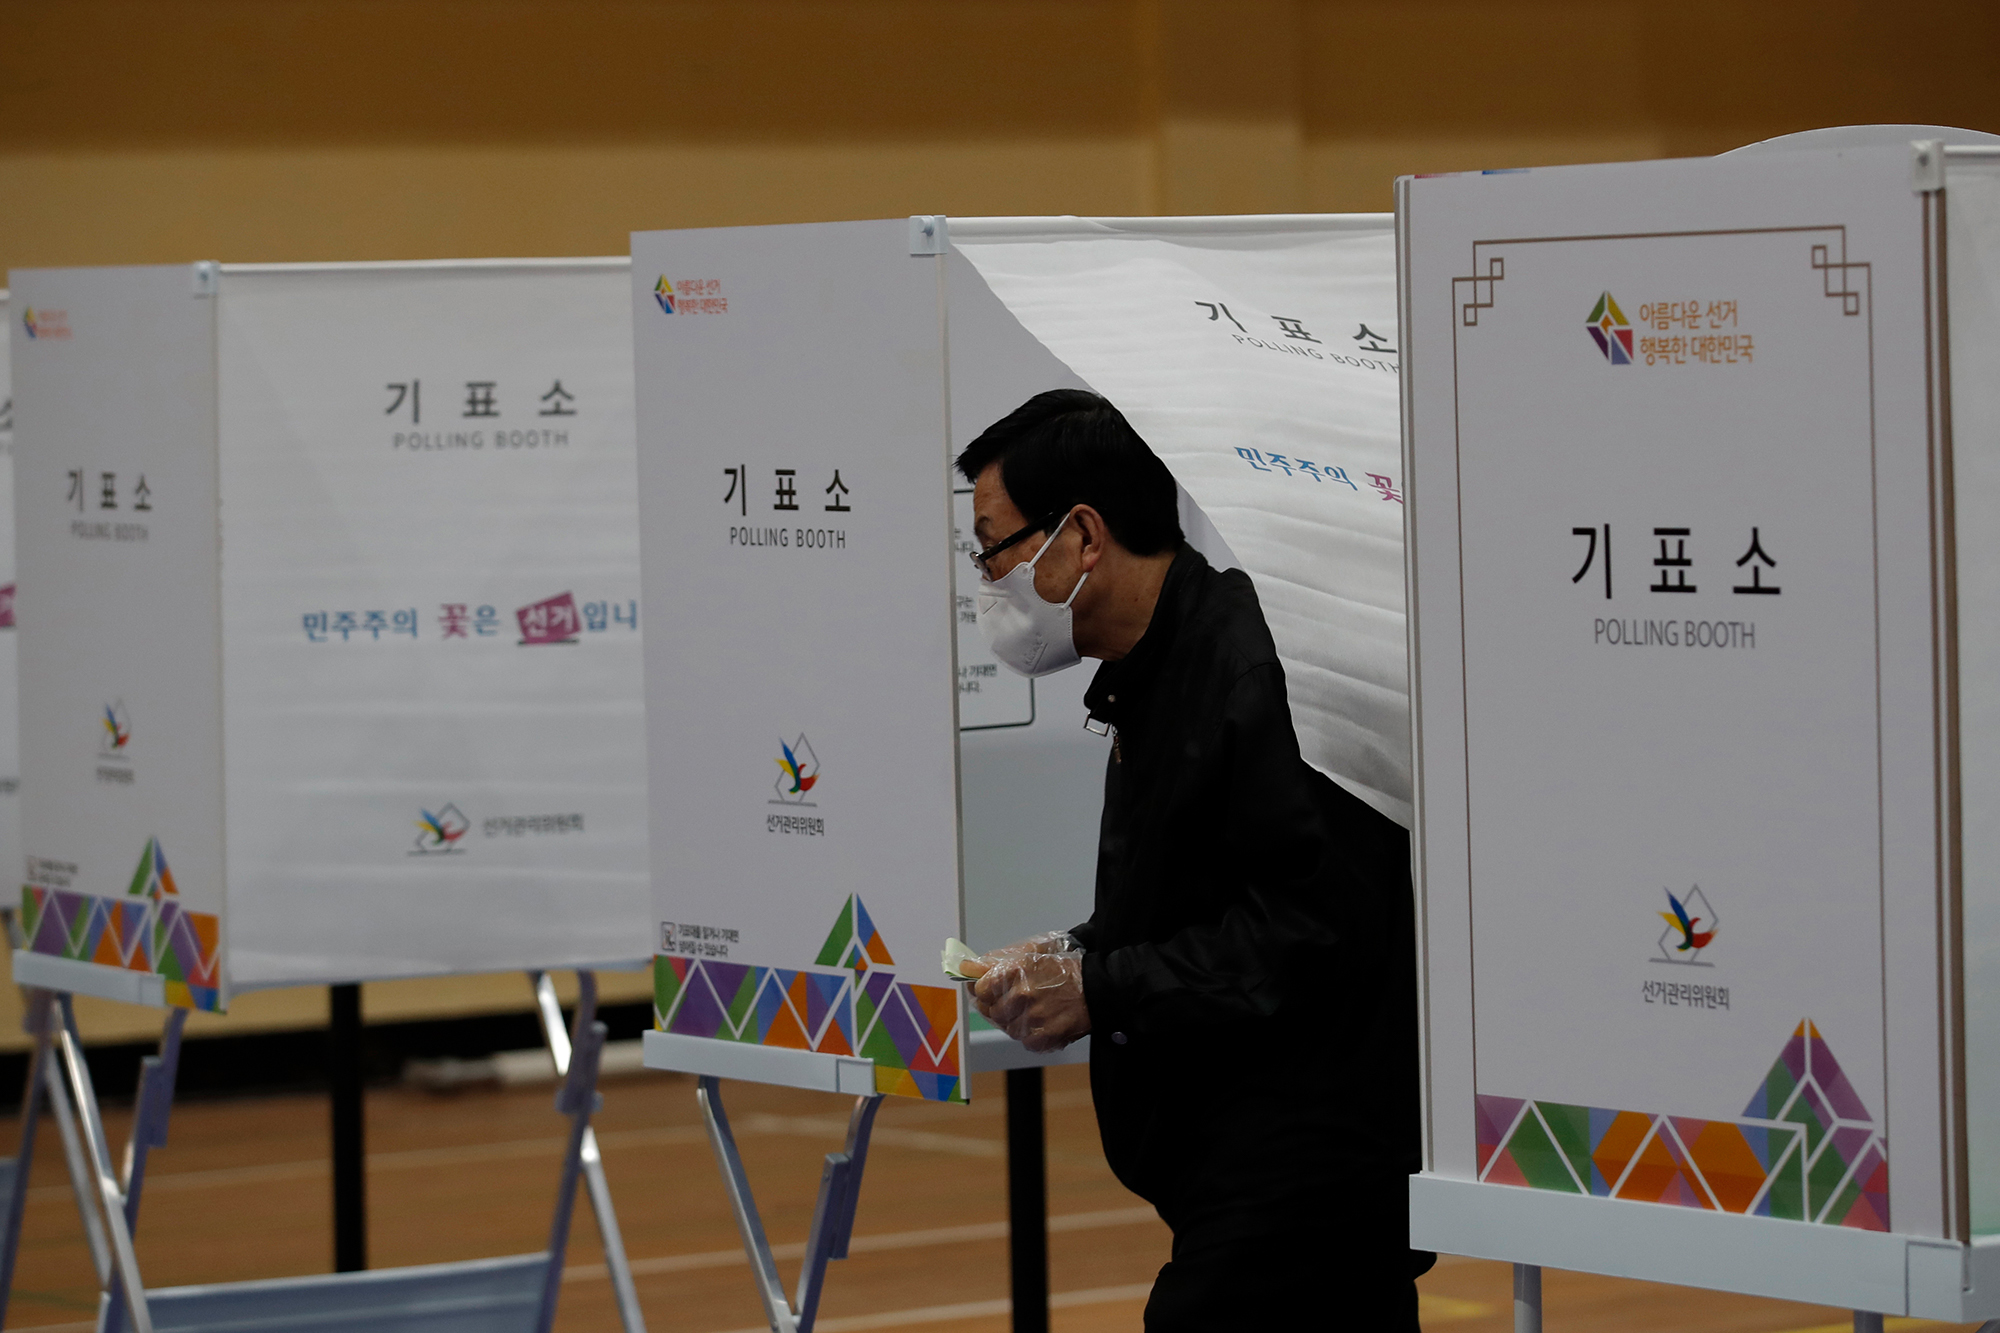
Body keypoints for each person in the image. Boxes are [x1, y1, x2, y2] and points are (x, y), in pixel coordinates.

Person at [955, 388, 1427, 1331]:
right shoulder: (1155, 669)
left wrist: (1105, 984)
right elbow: (1197, 892)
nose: (986, 580)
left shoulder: (1256, 670)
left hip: (1304, 1176)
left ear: (1082, 535)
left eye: (995, 548)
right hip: (1240, 1171)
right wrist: (1074, 953)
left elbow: (1308, 926)